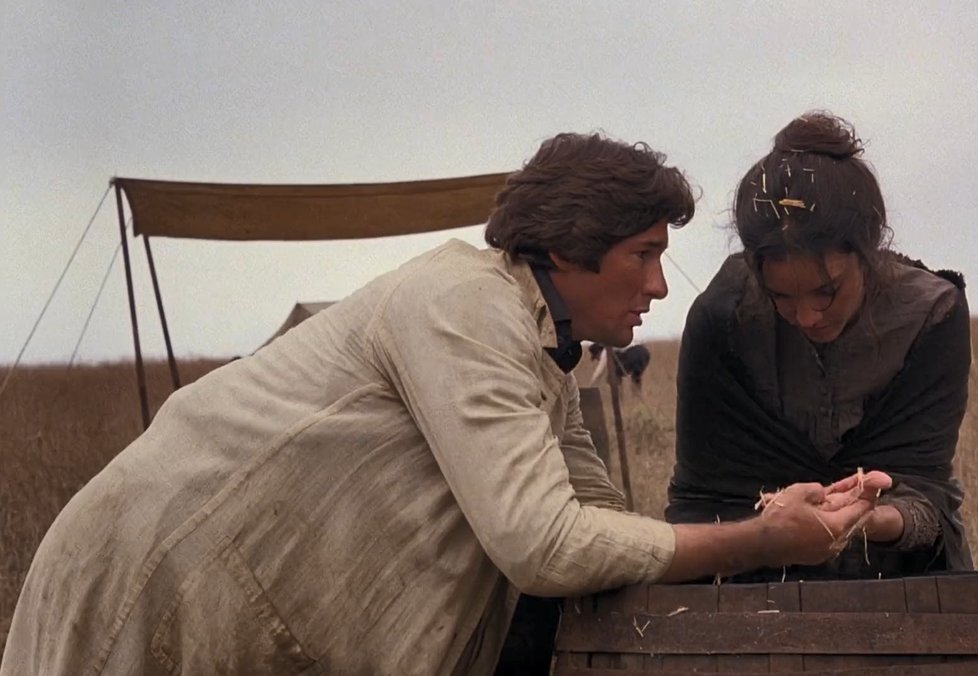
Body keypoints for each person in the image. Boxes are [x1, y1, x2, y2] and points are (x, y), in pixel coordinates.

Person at [2, 132, 885, 676]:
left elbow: (596, 525)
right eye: (644, 253)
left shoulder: (544, 347)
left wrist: (776, 517)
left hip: (241, 605)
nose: (660, 283)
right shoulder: (463, 309)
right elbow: (544, 546)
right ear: (574, 248)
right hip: (153, 576)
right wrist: (763, 541)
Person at [666, 112, 974, 581]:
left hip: (895, 587)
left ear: (867, 253)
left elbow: (927, 499)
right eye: (780, 297)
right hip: (746, 580)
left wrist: (865, 518)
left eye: (826, 291)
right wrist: (772, 528)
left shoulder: (930, 315)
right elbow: (701, 502)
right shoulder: (723, 316)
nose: (807, 316)